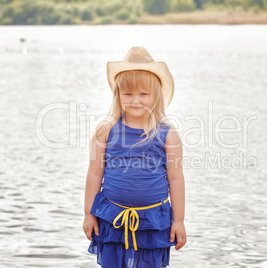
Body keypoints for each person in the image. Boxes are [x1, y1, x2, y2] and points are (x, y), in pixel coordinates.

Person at [82, 46, 186, 268]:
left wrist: (178, 221)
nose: (135, 100)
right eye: (128, 94)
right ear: (118, 95)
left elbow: (176, 179)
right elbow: (94, 173)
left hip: (152, 222)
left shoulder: (167, 133)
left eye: (143, 94)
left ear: (155, 95)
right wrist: (88, 214)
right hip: (113, 218)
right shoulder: (106, 131)